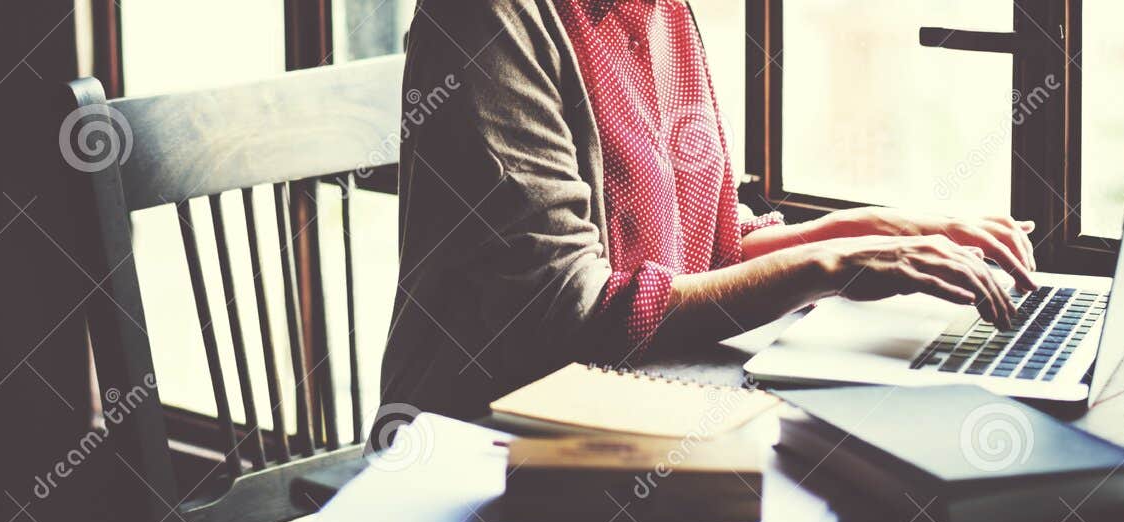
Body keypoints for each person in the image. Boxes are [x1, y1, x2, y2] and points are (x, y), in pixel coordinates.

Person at [381, 0, 1038, 420]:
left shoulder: (665, 10)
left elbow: (705, 254)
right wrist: (837, 262)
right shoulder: (484, 16)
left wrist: (881, 230)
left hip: (631, 408)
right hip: (483, 447)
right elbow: (567, 314)